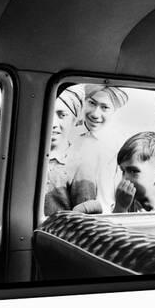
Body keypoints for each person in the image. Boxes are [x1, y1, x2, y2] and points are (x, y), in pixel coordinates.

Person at [44, 86, 101, 216]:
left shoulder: (80, 166)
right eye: (48, 113)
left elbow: (85, 222)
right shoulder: (26, 158)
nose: (53, 122)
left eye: (62, 115)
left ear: (74, 119)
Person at [72, 84, 129, 213]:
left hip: (105, 221)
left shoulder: (120, 145)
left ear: (114, 111)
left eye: (105, 107)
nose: (95, 114)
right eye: (92, 103)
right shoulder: (67, 137)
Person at [112, 132, 155, 213]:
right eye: (123, 171)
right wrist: (120, 209)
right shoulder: (124, 205)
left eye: (133, 171)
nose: (124, 178)